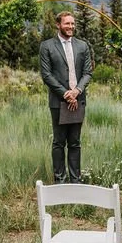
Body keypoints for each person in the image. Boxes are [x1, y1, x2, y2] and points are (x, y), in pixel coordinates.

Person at [39, 11, 93, 183]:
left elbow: (88, 73)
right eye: (67, 23)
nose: (70, 27)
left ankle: (75, 181)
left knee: (75, 142)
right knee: (59, 142)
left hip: (78, 100)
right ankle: (60, 181)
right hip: (58, 101)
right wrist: (65, 93)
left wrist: (76, 91)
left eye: (72, 24)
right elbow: (46, 75)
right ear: (58, 25)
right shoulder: (47, 46)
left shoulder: (82, 46)